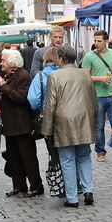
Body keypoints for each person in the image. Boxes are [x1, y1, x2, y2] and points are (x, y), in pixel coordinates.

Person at [40, 45, 97, 208]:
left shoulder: (54, 76)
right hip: (84, 119)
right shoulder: (86, 75)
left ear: (60, 59)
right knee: (84, 156)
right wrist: (94, 120)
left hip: (63, 121)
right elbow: (93, 100)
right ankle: (88, 190)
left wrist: (46, 129)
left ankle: (72, 198)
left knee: (67, 160)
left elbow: (50, 105)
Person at [0, 49, 43, 198]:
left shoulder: (23, 76)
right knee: (14, 157)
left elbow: (21, 98)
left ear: (11, 63)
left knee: (28, 157)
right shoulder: (8, 75)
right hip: (9, 124)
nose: (1, 63)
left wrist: (3, 85)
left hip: (22, 124)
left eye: (3, 60)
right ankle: (19, 186)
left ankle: (36, 186)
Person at [81, 29, 112, 162]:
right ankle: (100, 151)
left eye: (99, 41)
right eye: (95, 41)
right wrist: (99, 79)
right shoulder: (89, 56)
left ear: (106, 41)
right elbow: (84, 76)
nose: (96, 43)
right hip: (97, 96)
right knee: (99, 126)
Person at [28, 48, 65, 198]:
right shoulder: (66, 74)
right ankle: (76, 184)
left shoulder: (41, 77)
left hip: (49, 120)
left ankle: (61, 185)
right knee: (69, 152)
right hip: (67, 117)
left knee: (55, 153)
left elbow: (33, 101)